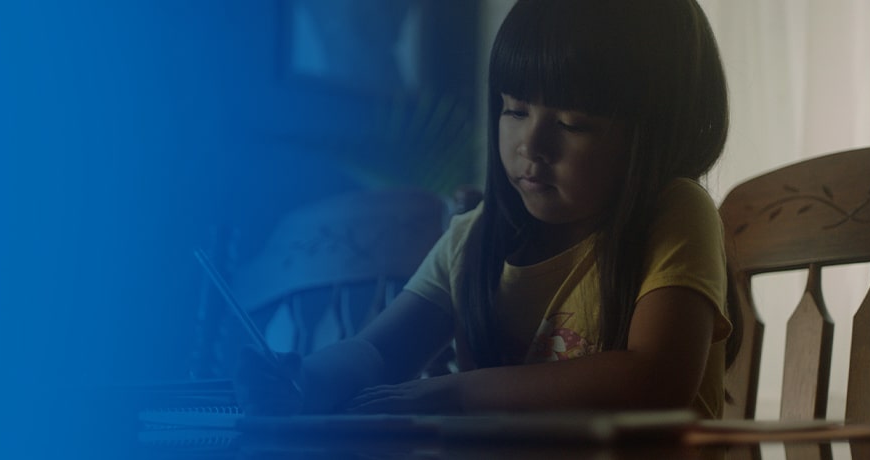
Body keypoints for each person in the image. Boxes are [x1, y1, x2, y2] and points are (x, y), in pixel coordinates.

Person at [235, 0, 735, 419]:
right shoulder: (473, 238)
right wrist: (305, 377)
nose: (530, 145)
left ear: (655, 133)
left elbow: (656, 379)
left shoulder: (673, 212)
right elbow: (380, 352)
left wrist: (458, 392)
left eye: (572, 123)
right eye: (514, 110)